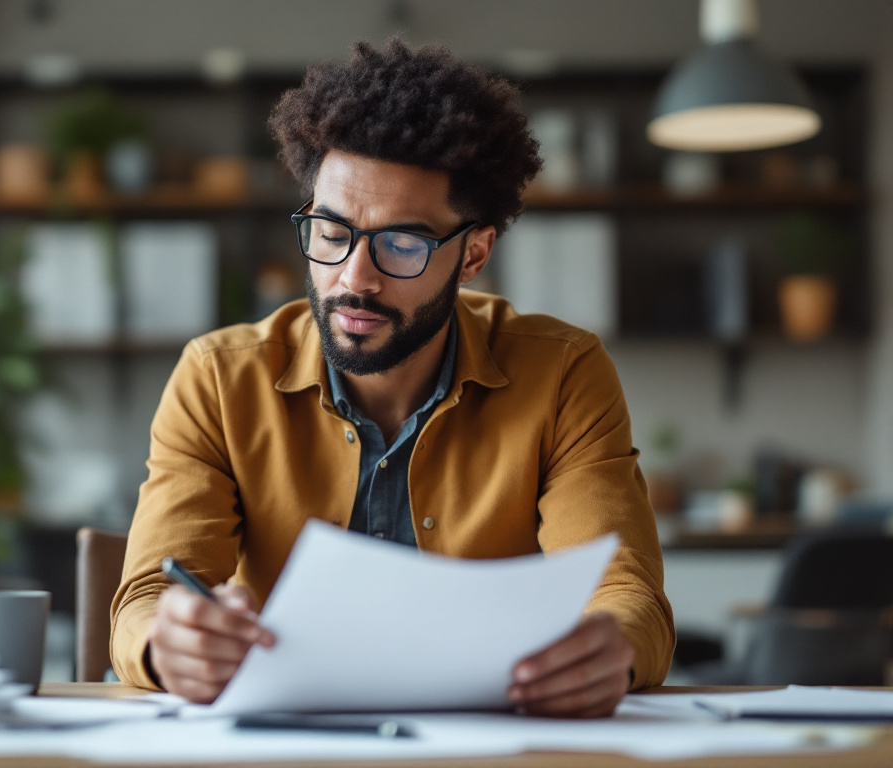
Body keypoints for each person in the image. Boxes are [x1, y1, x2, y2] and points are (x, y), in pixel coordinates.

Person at [109, 39, 674, 718]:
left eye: (402, 244)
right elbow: (145, 601)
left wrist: (610, 644)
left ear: (474, 253)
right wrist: (166, 643)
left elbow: (627, 594)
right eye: (330, 231)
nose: (354, 278)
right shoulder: (219, 378)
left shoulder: (562, 373)